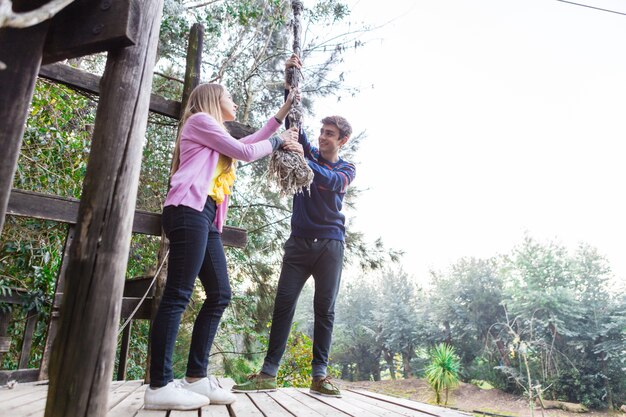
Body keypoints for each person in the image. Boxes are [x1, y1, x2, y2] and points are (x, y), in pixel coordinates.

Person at [144, 82, 301, 411]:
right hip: (187, 210)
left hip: (206, 216)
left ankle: (196, 377)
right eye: (229, 96)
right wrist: (278, 141)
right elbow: (245, 152)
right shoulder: (199, 121)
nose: (233, 100)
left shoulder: (214, 136)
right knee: (178, 294)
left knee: (219, 294)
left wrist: (282, 113)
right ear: (214, 100)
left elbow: (244, 143)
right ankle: (158, 385)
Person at [232, 55, 356, 398]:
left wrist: (303, 158)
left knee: (324, 310)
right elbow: (290, 110)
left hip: (330, 245)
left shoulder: (346, 170)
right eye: (321, 132)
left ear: (342, 140)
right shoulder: (309, 151)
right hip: (298, 244)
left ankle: (320, 376)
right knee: (283, 304)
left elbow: (330, 180)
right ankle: (268, 373)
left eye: (329, 134)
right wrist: (290, 72)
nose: (322, 137)